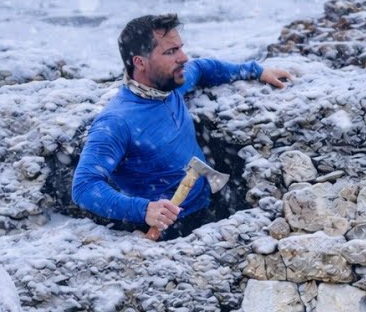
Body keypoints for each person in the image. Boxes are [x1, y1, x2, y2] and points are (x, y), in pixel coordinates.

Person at [72, 13, 291, 238]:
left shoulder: (170, 83)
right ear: (140, 62)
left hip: (209, 200)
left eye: (180, 48)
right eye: (171, 52)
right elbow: (84, 186)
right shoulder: (117, 122)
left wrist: (256, 70)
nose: (183, 58)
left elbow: (203, 68)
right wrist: (144, 210)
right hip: (167, 229)